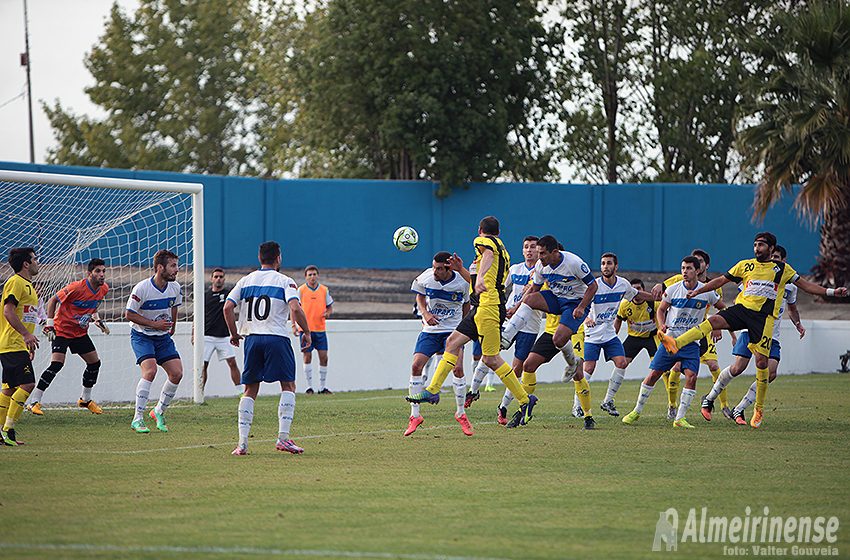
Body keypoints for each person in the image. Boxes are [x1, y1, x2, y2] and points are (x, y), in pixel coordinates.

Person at [658, 232, 848, 428]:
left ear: (771, 248)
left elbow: (806, 286)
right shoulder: (745, 265)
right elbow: (721, 280)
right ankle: (676, 343)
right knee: (714, 321)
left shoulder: (783, 269)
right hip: (743, 309)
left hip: (763, 319)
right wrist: (699, 290)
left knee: (762, 362)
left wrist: (831, 292)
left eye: (761, 245)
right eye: (755, 244)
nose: (757, 248)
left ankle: (758, 408)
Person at [407, 216, 538, 429]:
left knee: (491, 358)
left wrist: (482, 277)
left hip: (488, 308)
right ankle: (432, 390)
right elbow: (477, 280)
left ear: (480, 230)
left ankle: (525, 399)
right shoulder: (502, 251)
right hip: (482, 308)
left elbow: (485, 258)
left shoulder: (484, 243)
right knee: (452, 343)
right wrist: (462, 271)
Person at [700, 245, 806, 425]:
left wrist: (797, 323)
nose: (773, 260)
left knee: (770, 373)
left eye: (777, 257)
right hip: (750, 330)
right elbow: (739, 296)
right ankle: (709, 398)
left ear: (784, 261)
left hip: (772, 334)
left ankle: (739, 409)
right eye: (771, 257)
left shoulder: (790, 285)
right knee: (737, 368)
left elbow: (792, 308)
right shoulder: (756, 275)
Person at [224, 241, 311, 455]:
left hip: (252, 339)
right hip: (276, 338)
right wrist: (307, 331)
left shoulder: (245, 280)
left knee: (250, 389)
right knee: (288, 386)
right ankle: (283, 438)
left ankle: (242, 443)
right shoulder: (285, 281)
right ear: (278, 257)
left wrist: (234, 334)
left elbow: (227, 307)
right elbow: (294, 307)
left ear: (259, 257)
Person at [621, 256, 725, 428]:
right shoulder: (673, 289)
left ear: (697, 271)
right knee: (654, 374)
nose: (684, 271)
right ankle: (636, 411)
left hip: (691, 343)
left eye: (689, 268)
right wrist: (661, 326)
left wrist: (717, 325)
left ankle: (680, 418)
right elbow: (661, 309)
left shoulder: (707, 292)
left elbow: (722, 307)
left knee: (692, 377)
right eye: (683, 268)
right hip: (671, 340)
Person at [28, 258, 110, 415]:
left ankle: (85, 400)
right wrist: (50, 324)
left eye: (103, 271)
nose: (102, 275)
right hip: (62, 330)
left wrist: (97, 320)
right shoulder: (76, 287)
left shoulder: (103, 289)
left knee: (94, 364)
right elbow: (52, 301)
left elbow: (93, 306)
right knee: (57, 364)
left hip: (79, 332)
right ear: (89, 274)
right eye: (98, 271)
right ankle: (34, 401)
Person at [466, 235, 540, 408]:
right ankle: (473, 391)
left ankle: (504, 407)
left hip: (530, 325)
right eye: (526, 247)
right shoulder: (514, 269)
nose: (529, 250)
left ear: (538, 250)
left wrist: (516, 308)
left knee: (516, 367)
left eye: (533, 247)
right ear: (522, 250)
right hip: (508, 320)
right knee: (489, 355)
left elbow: (531, 294)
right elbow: (500, 287)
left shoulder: (542, 271)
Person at [405, 252, 471, 436]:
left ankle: (460, 413)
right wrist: (425, 314)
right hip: (430, 331)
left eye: (440, 269)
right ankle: (415, 416)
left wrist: (464, 328)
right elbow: (419, 294)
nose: (436, 271)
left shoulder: (462, 282)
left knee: (458, 369)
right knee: (416, 366)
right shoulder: (426, 277)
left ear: (449, 268)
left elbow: (466, 305)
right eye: (434, 267)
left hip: (452, 332)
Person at [585, 253, 655, 417]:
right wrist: (587, 318)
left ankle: (608, 400)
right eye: (602, 263)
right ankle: (578, 405)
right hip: (593, 334)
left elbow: (637, 295)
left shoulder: (623, 284)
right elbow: (582, 304)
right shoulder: (594, 285)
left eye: (609, 263)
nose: (605, 266)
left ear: (615, 266)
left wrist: (657, 296)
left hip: (609, 334)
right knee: (588, 368)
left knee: (622, 363)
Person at [125, 250, 184, 434]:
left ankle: (158, 411)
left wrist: (171, 326)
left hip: (162, 337)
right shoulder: (142, 289)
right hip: (142, 336)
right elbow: (129, 314)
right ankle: (137, 419)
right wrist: (153, 324)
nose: (177, 270)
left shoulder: (175, 287)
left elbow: (174, 305)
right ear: (160, 268)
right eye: (173, 266)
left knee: (177, 374)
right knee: (150, 371)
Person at [0, 248, 40, 445]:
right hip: (12, 342)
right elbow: (8, 311)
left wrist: (29, 344)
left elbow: (27, 316)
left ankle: (0, 433)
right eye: (34, 259)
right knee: (28, 384)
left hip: (18, 345)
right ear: (26, 263)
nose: (37, 262)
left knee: (9, 389)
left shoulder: (28, 285)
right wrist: (25, 334)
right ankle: (8, 429)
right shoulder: (16, 282)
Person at [613, 279, 663, 413]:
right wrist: (613, 336)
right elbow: (618, 319)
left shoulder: (653, 303)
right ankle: (610, 398)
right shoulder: (625, 304)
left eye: (639, 289)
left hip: (651, 337)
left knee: (662, 369)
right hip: (633, 338)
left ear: (644, 290)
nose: (637, 293)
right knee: (620, 363)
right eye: (634, 289)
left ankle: (671, 404)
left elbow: (664, 312)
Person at [195, 268, 241, 390]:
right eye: (216, 277)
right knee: (203, 365)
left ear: (224, 279)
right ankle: (200, 392)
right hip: (207, 335)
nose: (218, 279)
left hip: (224, 336)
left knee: (232, 363)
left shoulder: (228, 295)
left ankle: (241, 392)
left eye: (221, 277)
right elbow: (198, 316)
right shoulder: (205, 296)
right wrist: (194, 334)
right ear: (211, 279)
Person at [295, 265, 334, 394]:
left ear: (318, 275)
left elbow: (329, 307)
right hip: (305, 330)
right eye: (310, 275)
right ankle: (309, 387)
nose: (312, 277)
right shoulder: (301, 290)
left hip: (320, 329)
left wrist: (328, 313)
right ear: (306, 277)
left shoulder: (324, 290)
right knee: (307, 356)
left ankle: (322, 387)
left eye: (314, 274)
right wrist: (293, 325)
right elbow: (294, 308)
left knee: (324, 357)